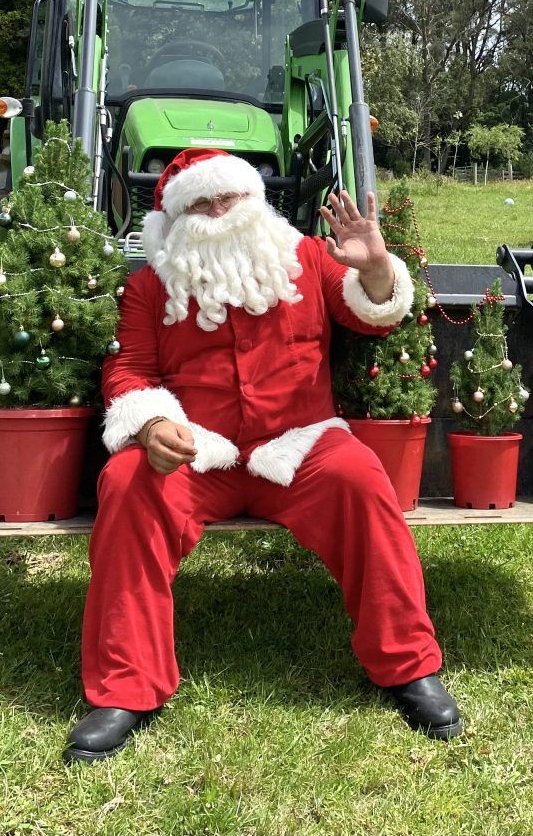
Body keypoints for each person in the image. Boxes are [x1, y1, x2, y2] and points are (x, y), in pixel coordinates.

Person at [64, 147, 461, 763]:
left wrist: (378, 267)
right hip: (200, 451)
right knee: (127, 483)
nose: (219, 211)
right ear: (176, 219)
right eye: (202, 202)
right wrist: (151, 424)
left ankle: (407, 664)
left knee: (361, 478)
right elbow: (130, 370)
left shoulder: (304, 257)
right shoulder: (149, 287)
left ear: (256, 201)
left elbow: (374, 314)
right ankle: (127, 688)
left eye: (231, 198)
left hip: (299, 446)